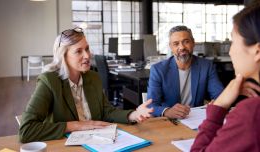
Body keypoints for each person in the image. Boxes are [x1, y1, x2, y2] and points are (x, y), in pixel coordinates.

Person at [19, 27, 153, 143]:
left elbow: (107, 112)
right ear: (63, 56)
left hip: (98, 142)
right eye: (78, 51)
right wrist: (75, 126)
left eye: (87, 49)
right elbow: (26, 130)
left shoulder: (93, 77)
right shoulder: (49, 81)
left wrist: (133, 115)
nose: (87, 55)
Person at [191, 3, 260, 151]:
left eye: (233, 42)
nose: (230, 52)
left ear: (257, 51)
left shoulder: (252, 113)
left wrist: (219, 105)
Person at [147, 25, 224, 119]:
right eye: (176, 44)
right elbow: (150, 105)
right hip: (170, 121)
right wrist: (167, 111)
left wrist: (217, 102)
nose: (182, 47)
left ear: (193, 43)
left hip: (196, 119)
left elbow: (219, 95)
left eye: (186, 42)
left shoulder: (206, 66)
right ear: (171, 47)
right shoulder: (158, 70)